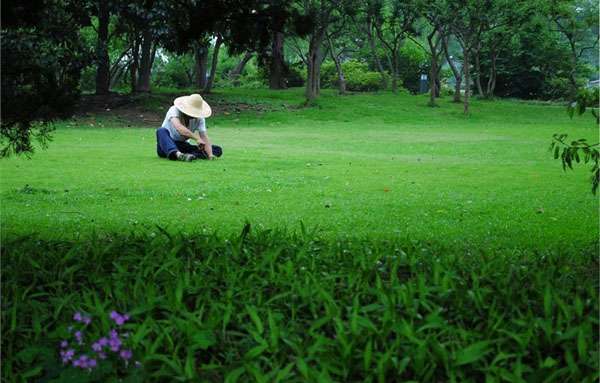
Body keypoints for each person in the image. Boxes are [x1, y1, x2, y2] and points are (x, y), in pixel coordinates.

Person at [156, 93, 223, 161]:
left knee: (217, 149)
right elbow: (179, 128)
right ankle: (177, 154)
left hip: (183, 145)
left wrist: (210, 154)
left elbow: (204, 136)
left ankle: (188, 156)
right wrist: (197, 138)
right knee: (161, 131)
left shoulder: (199, 118)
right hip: (166, 145)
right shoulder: (174, 110)